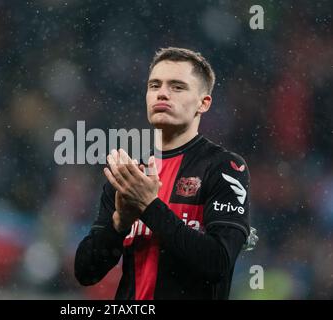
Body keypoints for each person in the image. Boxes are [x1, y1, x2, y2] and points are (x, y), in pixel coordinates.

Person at [75, 47, 257, 299]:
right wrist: (119, 224)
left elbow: (218, 262)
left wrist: (149, 207)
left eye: (177, 87)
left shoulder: (224, 168)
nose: (162, 93)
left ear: (203, 103)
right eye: (154, 85)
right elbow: (86, 272)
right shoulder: (129, 176)